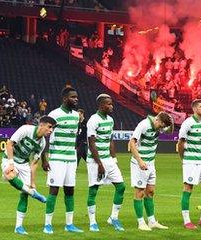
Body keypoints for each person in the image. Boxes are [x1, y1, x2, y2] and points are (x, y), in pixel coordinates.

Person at [1, 116, 56, 234]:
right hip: (9, 158)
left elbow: (34, 163)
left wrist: (33, 182)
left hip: (24, 163)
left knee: (24, 194)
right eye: (50, 127)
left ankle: (18, 227)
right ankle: (33, 194)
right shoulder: (25, 129)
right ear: (41, 125)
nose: (51, 130)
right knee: (10, 175)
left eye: (53, 128)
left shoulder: (42, 143)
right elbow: (9, 144)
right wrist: (11, 163)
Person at [42, 87, 83, 234]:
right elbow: (42, 135)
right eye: (73, 97)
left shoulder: (76, 116)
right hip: (57, 159)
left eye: (76, 97)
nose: (76, 99)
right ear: (65, 99)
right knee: (54, 190)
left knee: (70, 191)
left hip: (71, 160)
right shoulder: (55, 115)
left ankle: (69, 224)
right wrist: (44, 159)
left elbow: (74, 138)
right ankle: (47, 224)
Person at [85, 94, 126, 232]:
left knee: (121, 187)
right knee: (93, 190)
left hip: (108, 160)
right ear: (101, 105)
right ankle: (92, 222)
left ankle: (113, 218)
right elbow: (91, 144)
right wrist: (100, 165)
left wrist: (114, 160)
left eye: (111, 104)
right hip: (95, 161)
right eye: (109, 104)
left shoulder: (110, 120)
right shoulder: (93, 120)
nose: (111, 106)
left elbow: (110, 141)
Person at [129, 112, 174, 231]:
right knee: (140, 193)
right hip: (140, 164)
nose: (162, 129)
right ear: (157, 120)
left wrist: (172, 121)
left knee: (150, 192)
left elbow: (170, 131)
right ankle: (140, 222)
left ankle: (152, 221)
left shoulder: (159, 125)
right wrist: (139, 161)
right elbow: (131, 143)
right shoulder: (143, 125)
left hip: (151, 164)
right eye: (161, 126)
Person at [178, 99, 201, 230]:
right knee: (188, 189)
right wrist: (184, 159)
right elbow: (181, 143)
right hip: (191, 161)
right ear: (194, 109)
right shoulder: (188, 123)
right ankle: (186, 221)